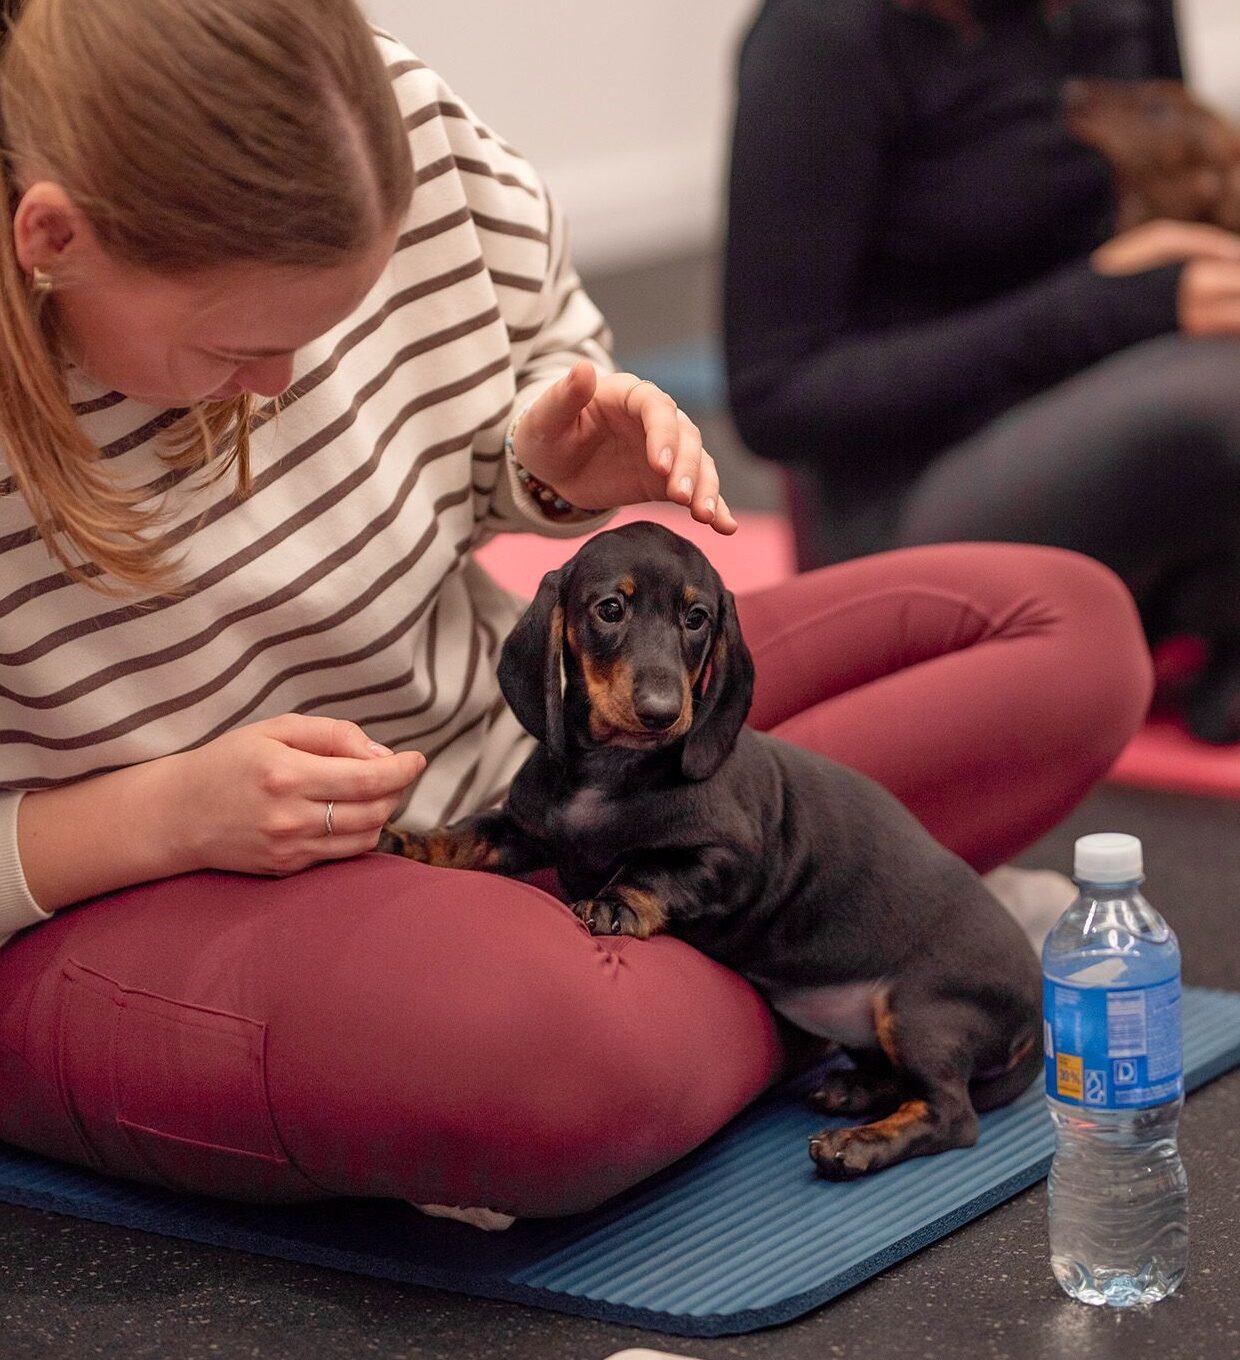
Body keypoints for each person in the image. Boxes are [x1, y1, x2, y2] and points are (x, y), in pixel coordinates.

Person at [0, 0, 1151, 1223]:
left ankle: (806, 941)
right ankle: (867, 964)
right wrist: (167, 814)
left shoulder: (376, 114)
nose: (278, 387)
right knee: (548, 1059)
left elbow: (518, 383)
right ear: (53, 238)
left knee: (1060, 623)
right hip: (148, 891)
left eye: (322, 332)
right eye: (238, 348)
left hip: (534, 768)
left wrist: (543, 463)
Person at [724, 0, 1240, 743]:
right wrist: (1100, 310)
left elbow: (1168, 211)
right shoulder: (823, 37)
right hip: (910, 498)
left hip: (1121, 422)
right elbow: (776, 397)